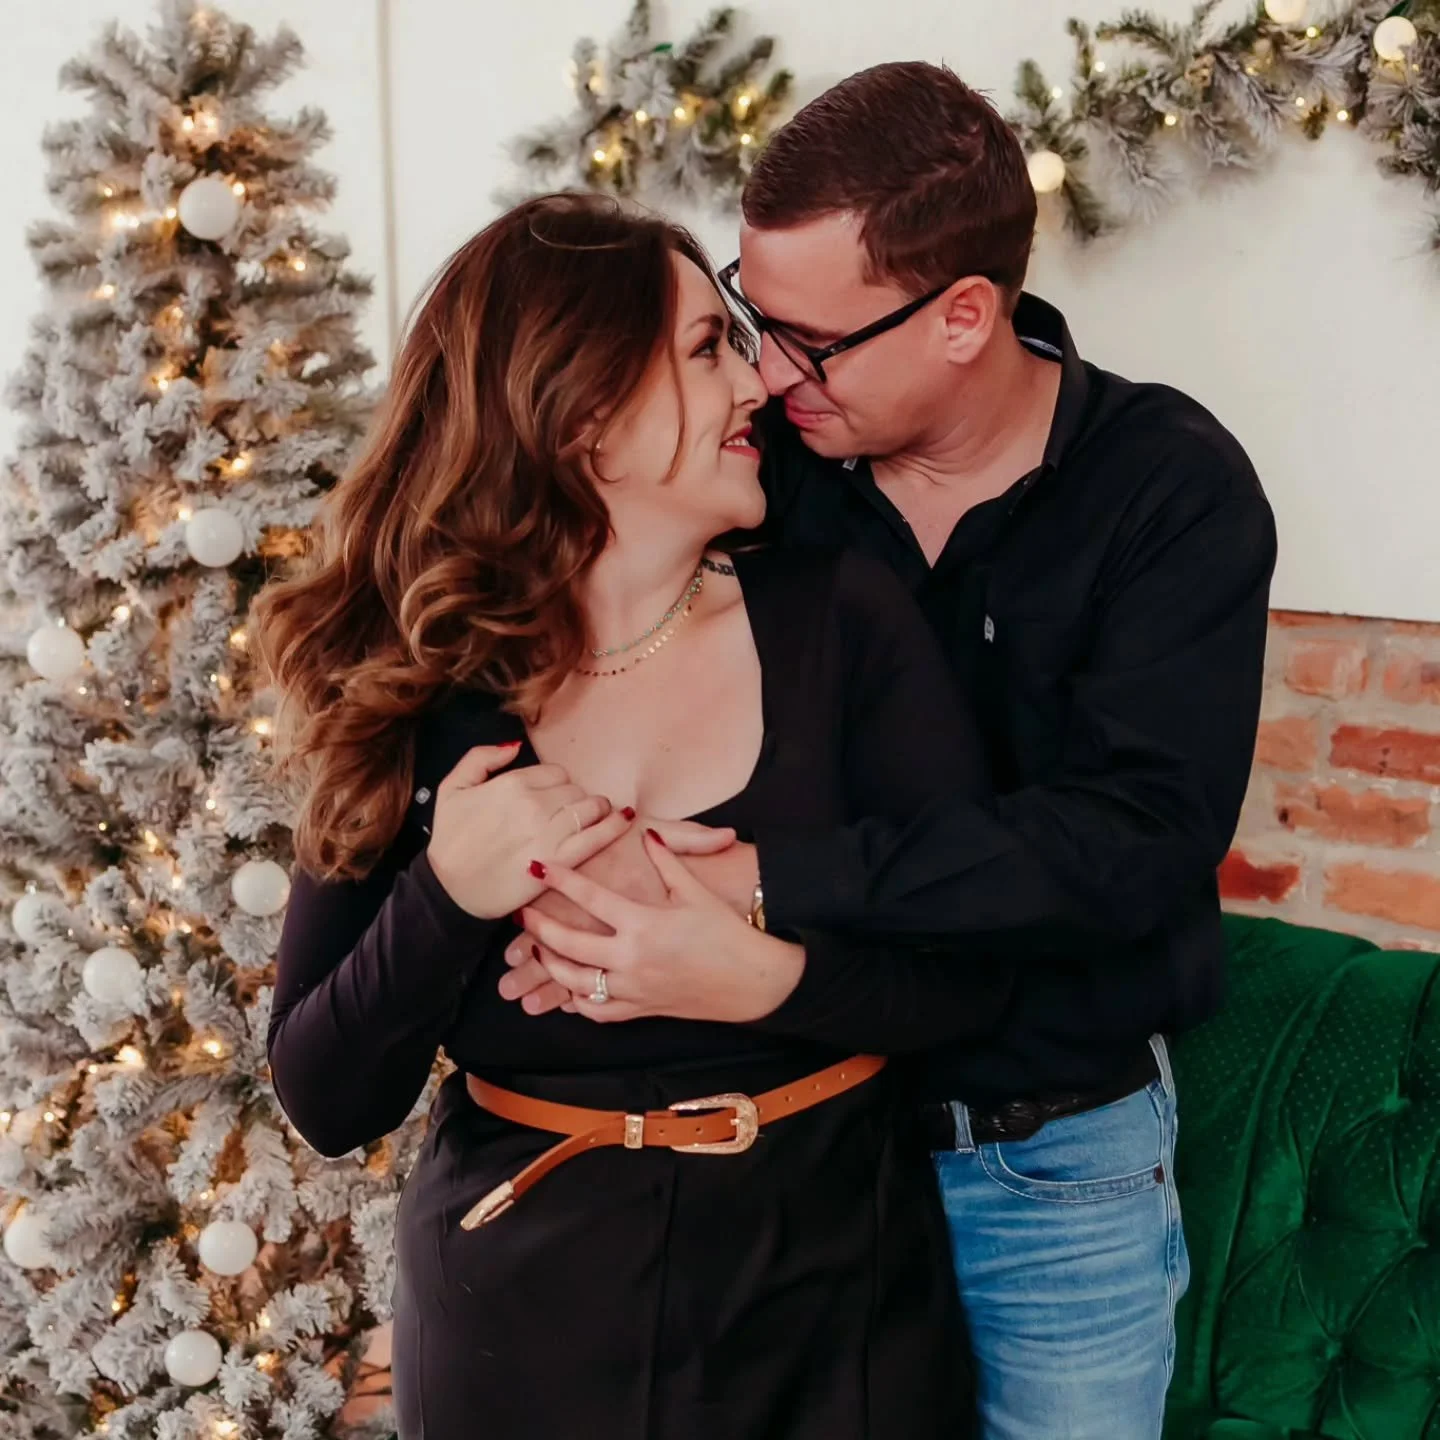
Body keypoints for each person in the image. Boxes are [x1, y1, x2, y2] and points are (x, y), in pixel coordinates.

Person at [503, 62, 1278, 1439]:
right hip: (801, 1149)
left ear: (965, 315)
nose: (760, 369)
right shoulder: (763, 474)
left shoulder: (1168, 488)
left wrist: (767, 880)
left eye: (810, 339)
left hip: (1052, 1162)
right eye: (747, 314)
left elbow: (1127, 845)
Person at [254, 193, 1008, 1440]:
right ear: (585, 408)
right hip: (521, 1333)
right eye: (711, 347)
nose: (764, 380)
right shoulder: (417, 681)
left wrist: (760, 977)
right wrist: (449, 897)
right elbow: (325, 1095)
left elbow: (977, 986)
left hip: (834, 1315)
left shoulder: (843, 618)